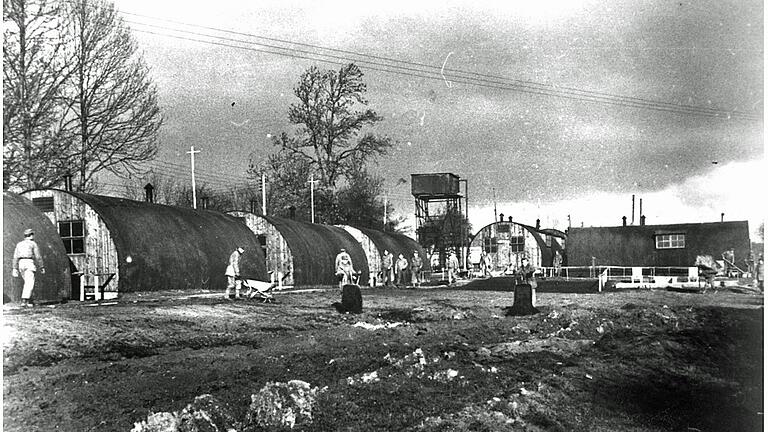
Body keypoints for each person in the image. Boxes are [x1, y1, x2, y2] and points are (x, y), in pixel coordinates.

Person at [12, 228, 45, 307]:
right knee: (29, 282)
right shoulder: (33, 244)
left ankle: (29, 300)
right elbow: (38, 256)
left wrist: (14, 267)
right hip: (29, 262)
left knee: (27, 282)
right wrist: (41, 266)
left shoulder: (19, 244)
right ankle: (25, 300)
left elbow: (15, 257)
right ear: (31, 235)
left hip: (21, 263)